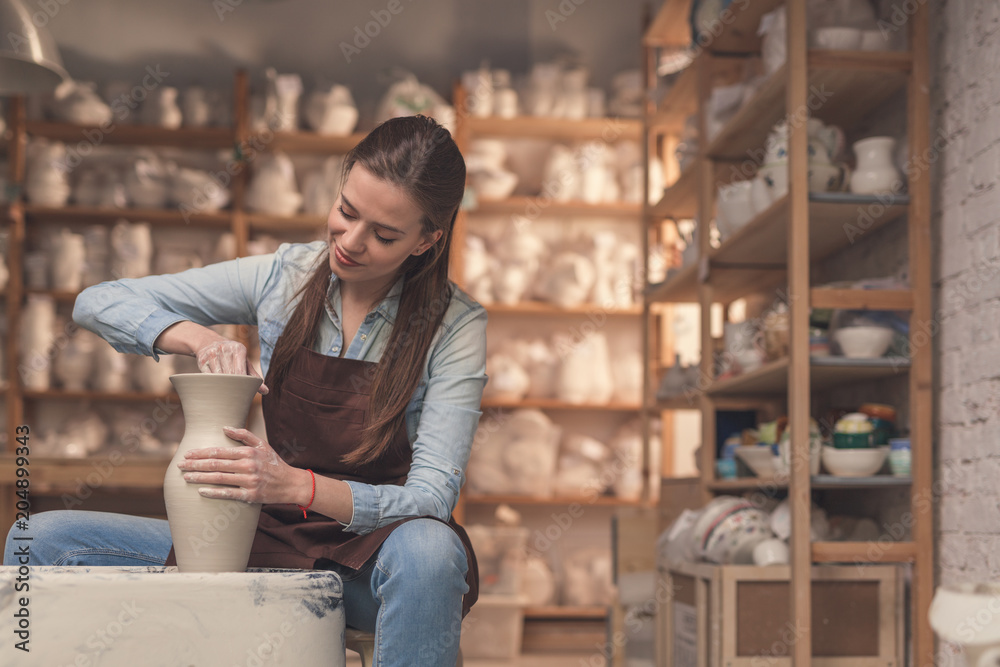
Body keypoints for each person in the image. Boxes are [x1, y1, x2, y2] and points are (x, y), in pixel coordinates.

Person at [3, 115, 486, 666]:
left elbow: (430, 500)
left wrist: (298, 487)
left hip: (376, 565)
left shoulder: (455, 326)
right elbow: (98, 300)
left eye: (384, 234)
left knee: (430, 548)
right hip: (264, 537)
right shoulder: (282, 278)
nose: (350, 242)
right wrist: (198, 338)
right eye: (346, 212)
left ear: (428, 239)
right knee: (39, 539)